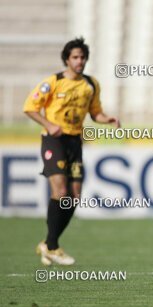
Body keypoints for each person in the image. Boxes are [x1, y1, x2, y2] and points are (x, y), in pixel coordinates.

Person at [23, 38, 120, 265]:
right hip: (54, 141)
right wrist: (48, 125)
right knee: (60, 190)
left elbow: (96, 113)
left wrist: (108, 119)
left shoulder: (91, 84)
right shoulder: (53, 82)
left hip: (75, 143)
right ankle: (53, 246)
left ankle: (47, 243)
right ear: (67, 59)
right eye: (75, 57)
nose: (80, 61)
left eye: (83, 57)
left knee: (74, 196)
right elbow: (30, 107)